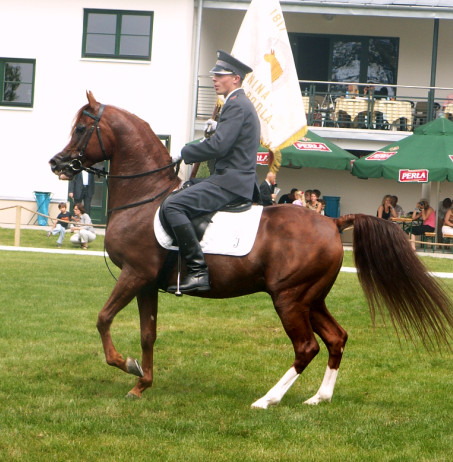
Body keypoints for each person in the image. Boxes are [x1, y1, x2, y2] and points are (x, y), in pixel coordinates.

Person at [161, 50, 260, 294]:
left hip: (229, 183)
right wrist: (216, 129)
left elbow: (220, 146)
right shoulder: (235, 105)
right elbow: (227, 142)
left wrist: (184, 153)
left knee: (172, 206)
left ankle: (197, 271)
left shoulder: (236, 105)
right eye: (213, 75)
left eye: (220, 75)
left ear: (235, 78)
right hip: (229, 179)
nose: (214, 79)